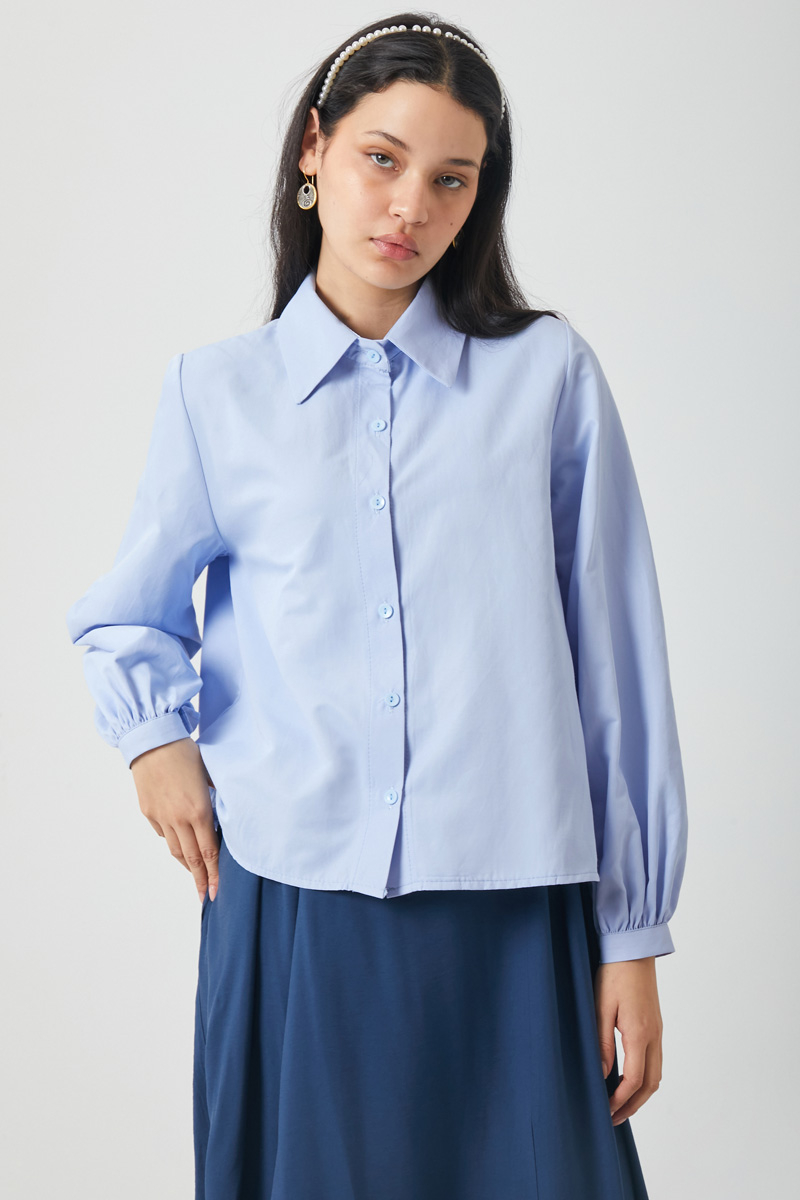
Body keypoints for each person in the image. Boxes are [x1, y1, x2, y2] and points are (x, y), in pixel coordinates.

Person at [66, 13, 689, 1199]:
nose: (409, 206)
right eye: (381, 159)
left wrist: (632, 934)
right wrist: (153, 739)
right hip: (292, 902)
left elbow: (615, 666)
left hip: (513, 907)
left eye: (451, 179)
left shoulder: (546, 378)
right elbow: (126, 614)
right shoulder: (217, 393)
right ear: (314, 149)